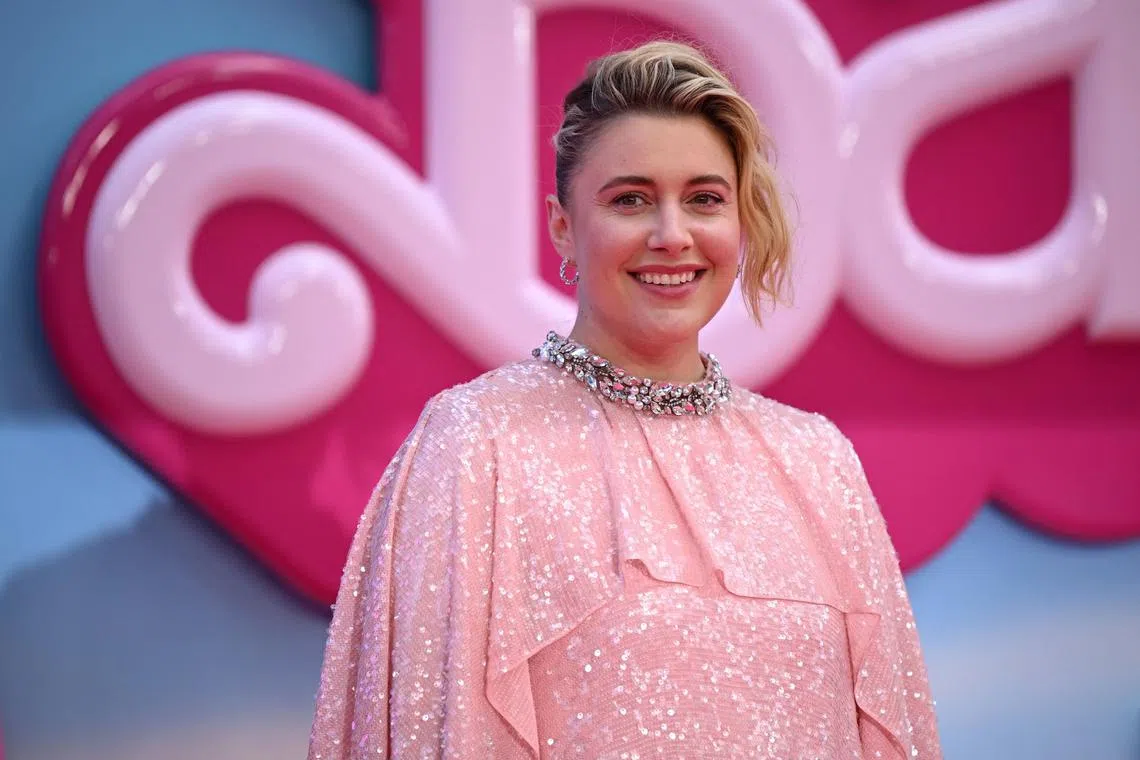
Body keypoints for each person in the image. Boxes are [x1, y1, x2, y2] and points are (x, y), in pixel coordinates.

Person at [308, 40, 942, 759]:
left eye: (704, 199)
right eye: (631, 199)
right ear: (561, 227)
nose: (672, 236)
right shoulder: (476, 444)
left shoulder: (818, 463)